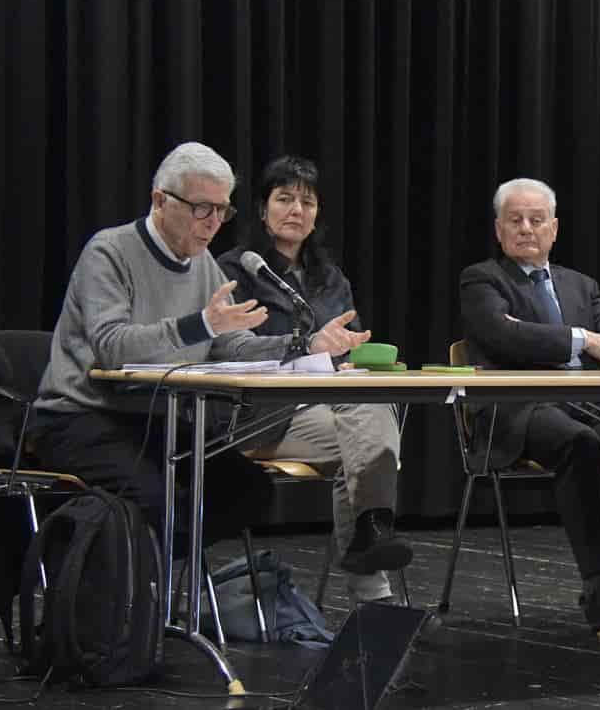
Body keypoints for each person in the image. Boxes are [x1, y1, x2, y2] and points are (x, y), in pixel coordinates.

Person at [31, 142, 368, 551]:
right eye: (201, 208)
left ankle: (169, 586)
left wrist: (307, 344)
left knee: (247, 490)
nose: (213, 222)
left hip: (153, 420)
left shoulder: (203, 264)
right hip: (81, 416)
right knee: (156, 498)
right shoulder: (110, 251)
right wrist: (200, 325)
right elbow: (111, 345)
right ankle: (139, 593)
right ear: (160, 201)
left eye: (223, 210)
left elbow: (233, 345)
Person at [459, 178, 600, 632]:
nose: (526, 229)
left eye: (536, 220)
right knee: (578, 442)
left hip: (586, 403)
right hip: (516, 409)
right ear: (499, 230)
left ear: (554, 228)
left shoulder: (581, 285)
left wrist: (584, 342)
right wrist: (580, 339)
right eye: (515, 220)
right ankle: (599, 587)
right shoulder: (482, 279)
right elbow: (504, 336)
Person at [218, 156, 411, 603]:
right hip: (261, 416)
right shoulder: (237, 270)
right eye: (284, 198)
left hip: (328, 408)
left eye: (307, 201)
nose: (296, 210)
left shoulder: (330, 279)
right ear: (262, 210)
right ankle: (376, 584)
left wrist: (357, 357)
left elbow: (348, 343)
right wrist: (309, 348)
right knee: (363, 439)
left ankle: (372, 541)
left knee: (371, 416)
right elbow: (230, 350)